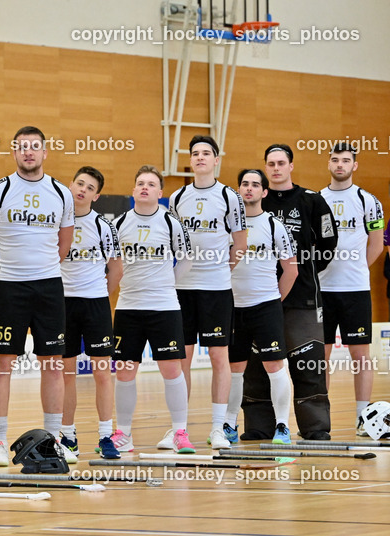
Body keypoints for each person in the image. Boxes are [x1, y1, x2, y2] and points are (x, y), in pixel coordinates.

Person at [0, 126, 74, 466]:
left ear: (45, 152)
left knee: (53, 364)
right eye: (22, 147)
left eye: (35, 147)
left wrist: (42, 267)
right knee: (2, 365)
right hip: (9, 287)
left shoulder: (61, 193)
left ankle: (54, 440)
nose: (29, 152)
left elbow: (65, 241)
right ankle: (0, 440)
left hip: (48, 287)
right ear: (14, 152)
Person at [242, 144, 337, 440]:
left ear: (291, 166)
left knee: (309, 363)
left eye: (281, 163)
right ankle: (259, 426)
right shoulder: (255, 199)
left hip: (303, 298)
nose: (276, 168)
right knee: (257, 365)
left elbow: (328, 244)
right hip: (259, 298)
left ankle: (315, 427)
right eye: (270, 163)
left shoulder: (312, 200)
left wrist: (304, 271)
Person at [166, 135, 246, 450]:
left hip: (216, 290)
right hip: (183, 290)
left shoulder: (230, 196)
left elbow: (240, 243)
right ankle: (179, 430)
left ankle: (218, 427)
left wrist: (221, 270)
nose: (200, 157)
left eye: (206, 153)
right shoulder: (177, 197)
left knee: (218, 356)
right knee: (181, 359)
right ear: (190, 160)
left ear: (216, 160)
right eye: (195, 153)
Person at [108, 165, 194, 454]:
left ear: (160, 192)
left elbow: (186, 260)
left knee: (171, 369)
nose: (145, 187)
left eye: (151, 184)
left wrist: (166, 286)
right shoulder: (118, 224)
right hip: (128, 308)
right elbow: (111, 263)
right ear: (133, 190)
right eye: (141, 183)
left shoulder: (171, 223)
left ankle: (180, 432)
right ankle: (124, 434)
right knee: (124, 371)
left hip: (164, 308)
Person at [226, 170, 297, 443]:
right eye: (244, 184)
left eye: (255, 185)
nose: (249, 188)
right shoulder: (227, 225)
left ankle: (282, 426)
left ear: (264, 192)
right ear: (238, 190)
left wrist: (274, 301)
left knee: (275, 365)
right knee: (234, 369)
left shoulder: (274, 225)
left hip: (266, 306)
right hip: (232, 307)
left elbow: (291, 270)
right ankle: (228, 425)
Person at [319, 143, 385, 434]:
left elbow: (377, 244)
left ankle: (363, 419)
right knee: (320, 358)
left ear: (354, 165)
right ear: (329, 164)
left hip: (356, 291)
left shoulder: (369, 201)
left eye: (346, 160)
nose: (340, 165)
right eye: (335, 160)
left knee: (361, 357)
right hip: (322, 290)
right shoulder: (316, 199)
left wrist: (356, 268)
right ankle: (319, 419)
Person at [61, 166, 122, 460]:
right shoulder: (56, 222)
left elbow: (117, 269)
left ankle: (105, 436)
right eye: (80, 184)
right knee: (65, 374)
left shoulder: (104, 226)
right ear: (71, 185)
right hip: (62, 304)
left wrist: (98, 294)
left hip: (95, 304)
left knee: (102, 373)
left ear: (96, 196)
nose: (83, 190)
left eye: (90, 188)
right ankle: (68, 436)